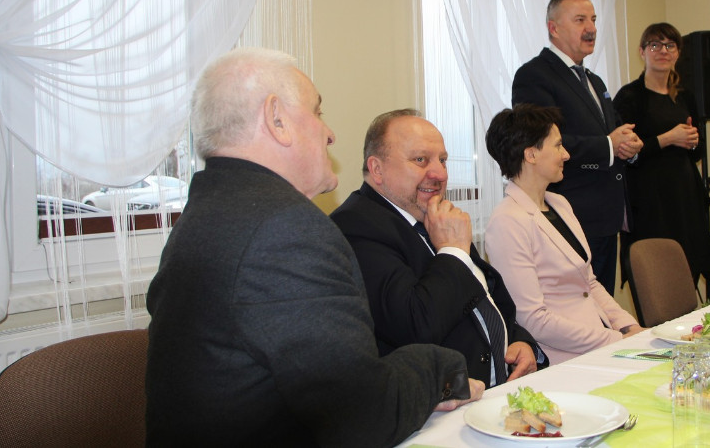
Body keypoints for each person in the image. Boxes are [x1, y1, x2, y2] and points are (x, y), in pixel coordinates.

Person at [145, 49, 482, 447]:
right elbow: (363, 415)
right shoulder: (285, 230)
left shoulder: (205, 214)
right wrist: (443, 367)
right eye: (317, 112)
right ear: (276, 119)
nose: (330, 134)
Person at [330, 110, 544, 388]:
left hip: (500, 389)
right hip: (441, 402)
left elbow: (488, 298)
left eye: (442, 160)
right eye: (420, 160)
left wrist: (520, 340)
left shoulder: (434, 215)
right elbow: (414, 326)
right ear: (377, 169)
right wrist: (453, 251)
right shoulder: (356, 226)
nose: (440, 174)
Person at [483, 105, 644, 364]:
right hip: (563, 358)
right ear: (531, 154)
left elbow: (589, 283)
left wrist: (629, 327)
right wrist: (614, 340)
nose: (566, 155)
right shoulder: (507, 222)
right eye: (558, 146)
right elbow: (533, 320)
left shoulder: (559, 203)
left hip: (601, 341)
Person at [512, 0, 642, 294]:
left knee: (604, 307)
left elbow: (613, 132)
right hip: (570, 215)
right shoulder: (533, 75)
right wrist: (609, 146)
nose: (591, 28)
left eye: (593, 19)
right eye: (580, 20)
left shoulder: (594, 81)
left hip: (607, 217)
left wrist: (630, 145)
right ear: (554, 28)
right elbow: (540, 141)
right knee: (578, 310)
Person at [613, 23, 710, 284]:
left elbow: (698, 152)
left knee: (688, 271)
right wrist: (668, 139)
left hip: (685, 197)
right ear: (642, 51)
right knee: (657, 277)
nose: (663, 51)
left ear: (678, 53)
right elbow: (625, 154)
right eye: (655, 45)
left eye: (670, 45)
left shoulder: (686, 97)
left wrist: (692, 142)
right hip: (649, 201)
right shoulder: (629, 96)